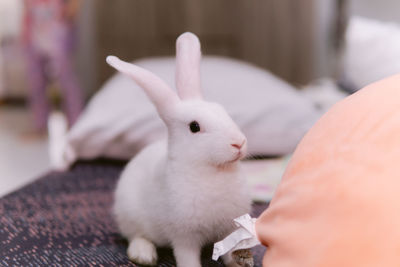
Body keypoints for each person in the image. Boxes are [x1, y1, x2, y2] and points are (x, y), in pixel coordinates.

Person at [22, 0, 83, 132]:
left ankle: (76, 123)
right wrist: (25, 35)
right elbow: (26, 11)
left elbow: (73, 9)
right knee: (36, 82)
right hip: (35, 34)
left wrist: (72, 10)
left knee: (66, 81)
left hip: (58, 32)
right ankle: (39, 125)